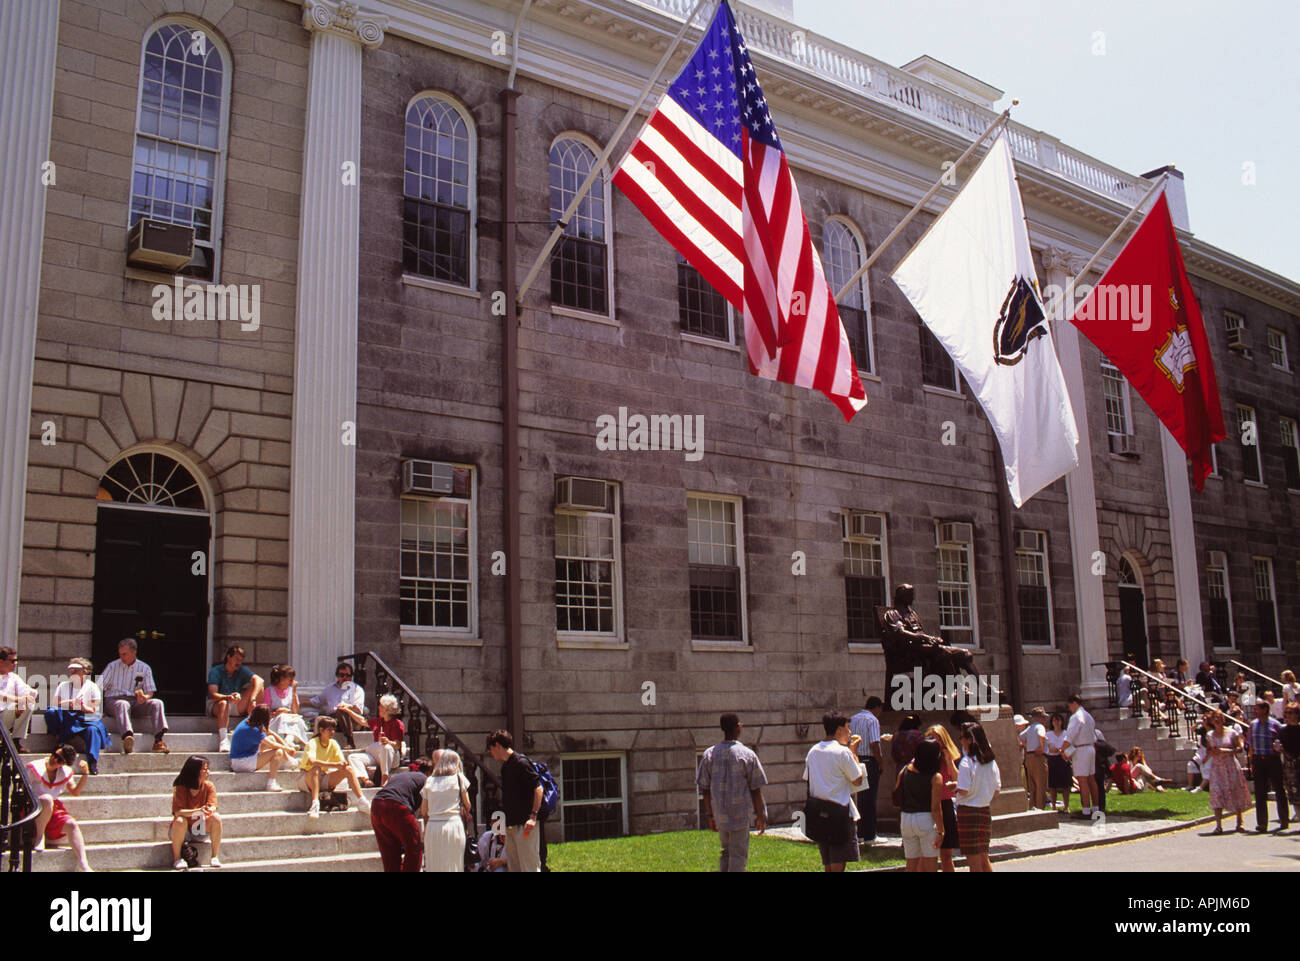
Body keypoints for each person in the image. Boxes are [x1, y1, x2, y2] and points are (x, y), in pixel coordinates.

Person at [696, 712, 768, 872]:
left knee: (726, 853)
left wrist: (710, 815)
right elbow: (756, 789)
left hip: (720, 815)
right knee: (738, 856)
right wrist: (761, 815)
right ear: (738, 727)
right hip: (740, 816)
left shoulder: (709, 754)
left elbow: (705, 790)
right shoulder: (747, 755)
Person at [802, 712, 865, 872]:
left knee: (828, 863)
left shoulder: (813, 751)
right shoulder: (843, 752)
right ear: (838, 730)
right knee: (838, 862)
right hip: (839, 813)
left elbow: (807, 778)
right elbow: (858, 779)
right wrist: (854, 752)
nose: (850, 732)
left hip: (819, 812)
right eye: (847, 728)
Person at [99, 638, 170, 755]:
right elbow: (98, 687)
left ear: (134, 652)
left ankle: (158, 740)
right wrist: (98, 708)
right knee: (123, 704)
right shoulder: (112, 666)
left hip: (135, 701)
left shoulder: (144, 668)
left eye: (125, 654)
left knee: (157, 703)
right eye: (120, 654)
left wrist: (145, 698)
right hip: (114, 701)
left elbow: (150, 691)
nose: (122, 657)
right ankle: (127, 737)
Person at [486, 729, 543, 872]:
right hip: (511, 825)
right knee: (514, 867)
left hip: (525, 826)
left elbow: (538, 788)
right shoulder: (506, 767)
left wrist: (533, 816)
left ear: (497, 745)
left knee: (529, 866)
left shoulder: (521, 762)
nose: (491, 754)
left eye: (491, 749)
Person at [28, 744, 92, 871]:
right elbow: (23, 789)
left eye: (59, 760)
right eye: (55, 755)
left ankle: (83, 864)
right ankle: (40, 836)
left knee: (72, 824)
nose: (54, 759)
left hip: (52, 808)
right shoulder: (35, 766)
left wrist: (85, 774)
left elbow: (75, 792)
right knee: (46, 799)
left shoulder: (63, 772)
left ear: (63, 764)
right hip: (34, 808)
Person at [45, 658, 111, 774]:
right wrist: (70, 702)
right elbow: (56, 703)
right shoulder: (63, 686)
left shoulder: (92, 687)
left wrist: (82, 707)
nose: (72, 672)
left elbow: (93, 709)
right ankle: (58, 735)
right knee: (51, 712)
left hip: (84, 717)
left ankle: (92, 761)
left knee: (93, 730)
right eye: (71, 670)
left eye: (76, 670)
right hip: (67, 715)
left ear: (85, 672)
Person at [299, 716, 370, 819]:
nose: (332, 732)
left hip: (322, 777)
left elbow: (341, 762)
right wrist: (334, 765)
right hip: (306, 778)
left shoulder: (333, 743)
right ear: (321, 730)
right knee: (316, 769)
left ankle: (362, 800)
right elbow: (312, 762)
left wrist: (342, 765)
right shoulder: (312, 743)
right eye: (329, 730)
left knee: (348, 770)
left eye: (333, 729)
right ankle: (315, 804)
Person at [370, 756, 432, 872]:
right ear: (429, 771)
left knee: (390, 851)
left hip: (376, 805)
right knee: (414, 849)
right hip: (397, 807)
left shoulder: (399, 776)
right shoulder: (424, 779)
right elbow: (424, 810)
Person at [955, 721, 1000, 872]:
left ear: (969, 740)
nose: (960, 740)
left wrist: (954, 787)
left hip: (968, 811)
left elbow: (964, 790)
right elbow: (996, 790)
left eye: (961, 737)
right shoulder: (991, 762)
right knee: (983, 858)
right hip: (984, 810)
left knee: (973, 862)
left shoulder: (966, 762)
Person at [896, 737, 944, 873]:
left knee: (910, 865)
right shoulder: (935, 777)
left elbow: (897, 791)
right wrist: (941, 831)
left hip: (906, 818)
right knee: (930, 865)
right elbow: (935, 808)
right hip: (925, 818)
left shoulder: (905, 770)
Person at [420, 748, 472, 872]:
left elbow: (423, 811)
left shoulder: (429, 781)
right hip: (453, 824)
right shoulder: (459, 779)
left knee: (434, 864)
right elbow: (468, 804)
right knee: (453, 864)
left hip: (433, 827)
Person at [207, 645, 263, 752]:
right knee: (224, 703)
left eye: (241, 660)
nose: (239, 662)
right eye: (237, 659)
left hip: (236, 704)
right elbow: (213, 695)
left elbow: (259, 680)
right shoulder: (216, 671)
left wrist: (253, 699)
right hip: (217, 704)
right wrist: (228, 697)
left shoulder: (241, 670)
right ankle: (223, 740)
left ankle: (252, 725)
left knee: (259, 687)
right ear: (228, 657)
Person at [171, 755, 222, 869]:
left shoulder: (209, 786)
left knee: (216, 818)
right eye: (204, 769)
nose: (208, 772)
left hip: (199, 828)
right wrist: (197, 811)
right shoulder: (181, 787)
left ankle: (214, 856)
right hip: (183, 831)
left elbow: (213, 805)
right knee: (180, 821)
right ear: (195, 771)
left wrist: (209, 810)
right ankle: (177, 859)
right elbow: (178, 812)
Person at [229, 704, 296, 791]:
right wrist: (287, 748)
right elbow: (273, 745)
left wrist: (286, 746)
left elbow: (270, 733)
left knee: (271, 738)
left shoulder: (248, 721)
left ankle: (288, 761)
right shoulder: (254, 730)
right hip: (242, 763)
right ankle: (271, 783)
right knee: (278, 752)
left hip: (238, 760)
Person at [1205, 711, 1250, 834]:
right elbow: (1209, 751)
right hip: (1217, 768)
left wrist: (1224, 751)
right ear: (1212, 721)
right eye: (1215, 718)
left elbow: (1240, 749)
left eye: (1220, 718)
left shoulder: (1232, 733)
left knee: (1235, 791)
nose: (1217, 720)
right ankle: (1218, 825)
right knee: (1217, 793)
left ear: (1223, 719)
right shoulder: (1209, 735)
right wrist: (1211, 754)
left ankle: (1239, 821)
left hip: (1230, 766)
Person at [1247, 700, 1288, 832]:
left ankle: (1283, 820)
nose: (1255, 711)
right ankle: (1262, 823)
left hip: (1273, 760)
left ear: (1265, 710)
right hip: (1259, 760)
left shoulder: (1276, 724)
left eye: (1257, 709)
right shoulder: (1252, 725)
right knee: (1260, 792)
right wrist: (1252, 762)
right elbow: (1251, 745)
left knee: (1279, 790)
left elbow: (1282, 743)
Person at [924, 725, 961, 873]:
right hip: (929, 804)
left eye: (938, 738)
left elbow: (958, 779)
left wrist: (949, 760)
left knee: (946, 854)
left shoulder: (951, 756)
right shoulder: (925, 757)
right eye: (932, 738)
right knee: (928, 854)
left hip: (945, 804)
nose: (936, 741)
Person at [348, 693, 405, 788]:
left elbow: (397, 745)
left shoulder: (397, 724)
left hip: (392, 757)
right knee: (353, 757)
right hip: (377, 756)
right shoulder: (379, 721)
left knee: (386, 747)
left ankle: (385, 777)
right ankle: (365, 780)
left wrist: (389, 741)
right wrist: (348, 711)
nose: (378, 708)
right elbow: (362, 721)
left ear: (387, 709)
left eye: (381, 706)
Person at [848, 697, 884, 844]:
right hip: (869, 760)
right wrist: (880, 762)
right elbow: (874, 743)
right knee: (870, 798)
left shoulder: (853, 718)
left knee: (860, 798)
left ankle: (861, 832)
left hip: (855, 757)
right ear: (877, 707)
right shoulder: (872, 720)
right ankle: (870, 835)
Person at [307, 661, 366, 749]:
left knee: (341, 710)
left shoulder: (357, 690)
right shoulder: (330, 688)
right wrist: (298, 703)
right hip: (334, 719)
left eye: (348, 675)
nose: (345, 678)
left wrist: (346, 707)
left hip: (352, 719)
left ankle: (350, 741)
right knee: (320, 719)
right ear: (337, 676)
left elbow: (358, 710)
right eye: (342, 675)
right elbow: (317, 701)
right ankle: (316, 745)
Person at [1061, 694, 1098, 819]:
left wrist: (1062, 749)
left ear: (1074, 703)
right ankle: (1096, 808)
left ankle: (1086, 810)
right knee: (1091, 779)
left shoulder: (1076, 717)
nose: (1069, 708)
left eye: (1070, 705)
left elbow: (1070, 735)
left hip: (1081, 748)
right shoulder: (1088, 716)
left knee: (1083, 780)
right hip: (1090, 747)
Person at [262, 664, 310, 748]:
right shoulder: (269, 691)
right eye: (290, 679)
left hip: (288, 720)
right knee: (283, 717)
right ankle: (288, 741)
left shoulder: (291, 691)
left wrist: (294, 693)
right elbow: (265, 712)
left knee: (297, 720)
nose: (292, 682)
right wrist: (276, 712)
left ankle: (289, 740)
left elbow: (295, 711)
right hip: (274, 721)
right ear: (281, 679)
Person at [0, 645, 35, 751]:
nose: (15, 663)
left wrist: (26, 699)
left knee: (28, 704)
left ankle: (15, 741)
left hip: (4, 717)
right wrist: (17, 700)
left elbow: (27, 692)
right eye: (12, 661)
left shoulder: (13, 677)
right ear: (1, 661)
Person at [1019, 707, 1049, 810]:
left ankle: (1032, 807)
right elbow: (1042, 736)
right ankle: (1040, 808)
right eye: (1043, 717)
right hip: (1038, 757)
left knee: (1032, 787)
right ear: (1040, 718)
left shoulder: (1029, 728)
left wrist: (1027, 745)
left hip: (1029, 757)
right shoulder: (1040, 727)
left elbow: (1020, 737)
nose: (1045, 720)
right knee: (1041, 785)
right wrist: (1041, 747)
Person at [1275, 704, 1300, 824]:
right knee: (1294, 793)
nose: (1287, 716)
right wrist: (1278, 748)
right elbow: (1279, 745)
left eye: (1290, 713)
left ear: (1297, 714)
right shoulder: (1282, 730)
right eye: (1286, 713)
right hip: (1290, 765)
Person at [1045, 712, 1072, 811]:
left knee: (1066, 784)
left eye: (1058, 720)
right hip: (1052, 759)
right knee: (1053, 785)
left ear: (1062, 722)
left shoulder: (1066, 733)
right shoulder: (1048, 734)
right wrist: (1050, 750)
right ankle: (1053, 805)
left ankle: (1066, 806)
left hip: (1064, 758)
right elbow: (1044, 748)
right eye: (1054, 720)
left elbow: (1070, 745)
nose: (1056, 722)